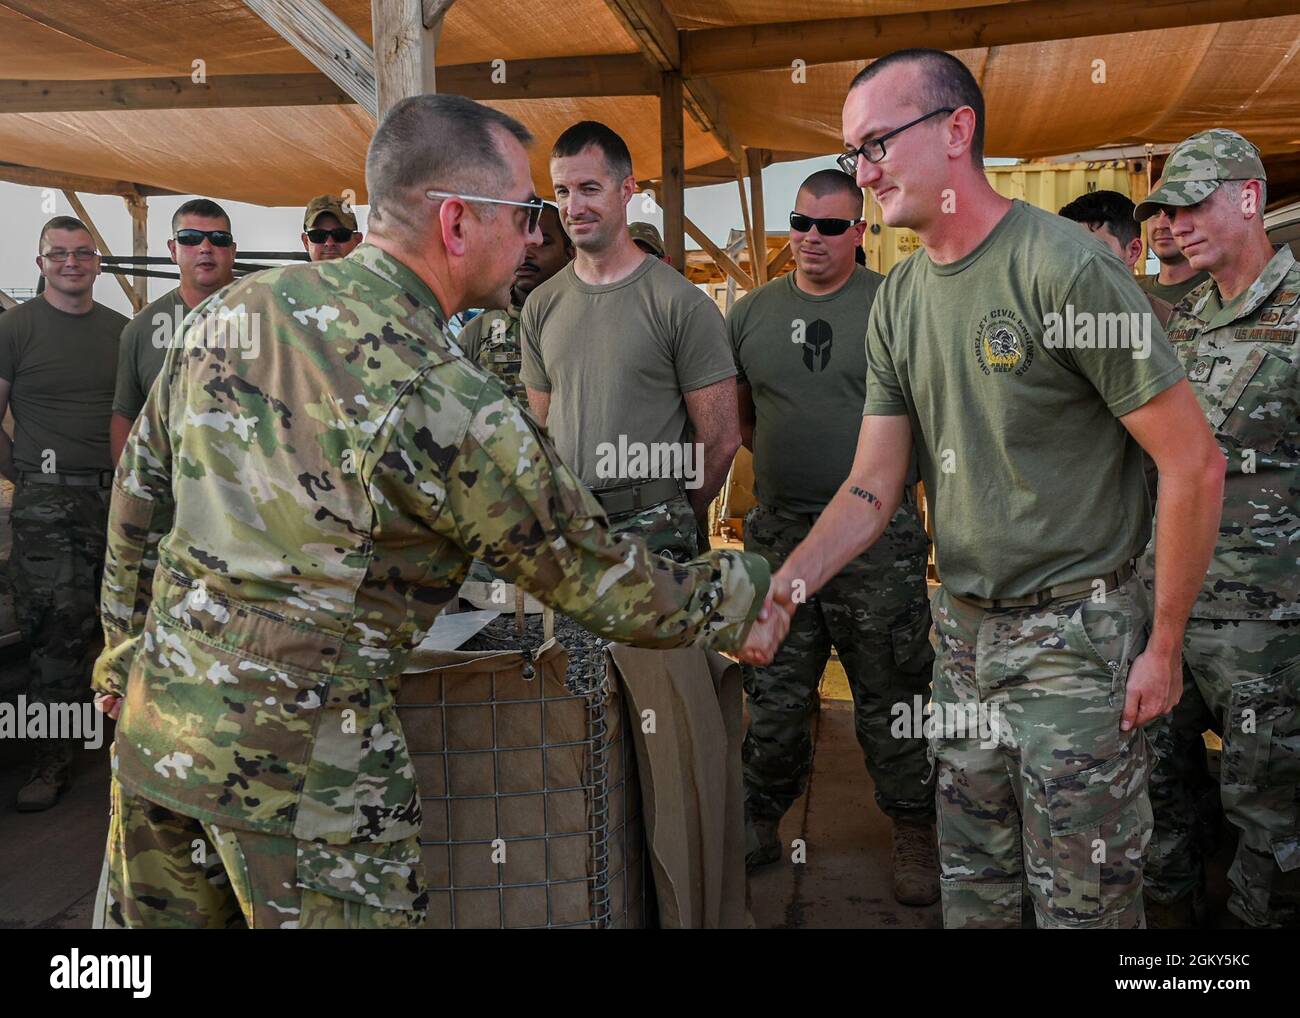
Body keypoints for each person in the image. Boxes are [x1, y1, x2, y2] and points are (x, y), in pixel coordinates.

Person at [91, 94, 786, 930]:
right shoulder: (443, 395)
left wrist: (120, 655)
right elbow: (592, 577)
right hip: (309, 778)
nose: (538, 234)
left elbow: (136, 503)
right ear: (457, 221)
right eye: (527, 212)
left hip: (159, 733)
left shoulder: (230, 315)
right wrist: (743, 596)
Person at [767, 48, 1225, 929]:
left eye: (875, 145)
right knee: (974, 891)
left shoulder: (1065, 270)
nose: (861, 175)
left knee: (1081, 906)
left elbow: (1191, 462)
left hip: (1076, 649)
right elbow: (872, 484)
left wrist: (1163, 646)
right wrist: (788, 588)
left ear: (956, 130)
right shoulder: (900, 298)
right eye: (853, 153)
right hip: (965, 636)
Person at [729, 168, 938, 903]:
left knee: (892, 691)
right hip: (782, 533)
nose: (810, 239)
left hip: (879, 544)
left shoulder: (895, 304)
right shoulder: (751, 313)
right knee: (777, 696)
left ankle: (915, 826)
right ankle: (759, 819)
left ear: (860, 231)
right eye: (800, 223)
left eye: (829, 226)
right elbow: (744, 417)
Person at [1134, 129, 1300, 929]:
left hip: (1266, 632)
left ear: (1249, 197)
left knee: (1267, 819)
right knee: (1161, 800)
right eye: (1169, 208)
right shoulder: (1186, 320)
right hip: (1168, 615)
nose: (1177, 223)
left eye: (1196, 202)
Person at [522, 121, 739, 562]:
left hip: (655, 538)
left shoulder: (681, 305)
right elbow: (542, 433)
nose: (573, 206)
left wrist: (673, 511)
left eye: (588, 188)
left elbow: (721, 438)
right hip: (572, 535)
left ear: (626, 189)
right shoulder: (541, 305)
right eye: (562, 191)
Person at [0, 216, 127, 811]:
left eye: (83, 253)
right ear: (40, 263)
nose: (71, 263)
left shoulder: (122, 333)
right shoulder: (15, 328)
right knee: (54, 631)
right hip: (47, 503)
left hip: (120, 500)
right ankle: (50, 762)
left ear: (98, 262)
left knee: (126, 624)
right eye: (59, 254)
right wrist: (27, 476)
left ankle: (128, 747)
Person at [110, 199, 236, 463]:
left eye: (218, 239)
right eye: (189, 238)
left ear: (232, 250)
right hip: (173, 494)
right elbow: (125, 417)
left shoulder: (268, 314)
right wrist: (129, 492)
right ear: (172, 249)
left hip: (255, 495)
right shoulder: (140, 330)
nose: (205, 247)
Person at [457, 201, 571, 405]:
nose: (527, 253)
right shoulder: (480, 331)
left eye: (544, 242)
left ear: (570, 253)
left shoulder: (587, 321)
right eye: (519, 241)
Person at [1058, 190, 1173, 325]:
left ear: (1133, 251)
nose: (1078, 262)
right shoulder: (1052, 319)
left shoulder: (1168, 323)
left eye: (1094, 250)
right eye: (1071, 249)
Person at [1139, 206, 1209, 306]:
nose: (1160, 225)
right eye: (1155, 213)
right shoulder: (1129, 294)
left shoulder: (1220, 293)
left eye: (1172, 213)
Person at [301, 195, 363, 261]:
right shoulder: (291, 271)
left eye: (341, 234)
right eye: (318, 235)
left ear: (357, 240)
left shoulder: (372, 270)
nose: (329, 243)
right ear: (306, 242)